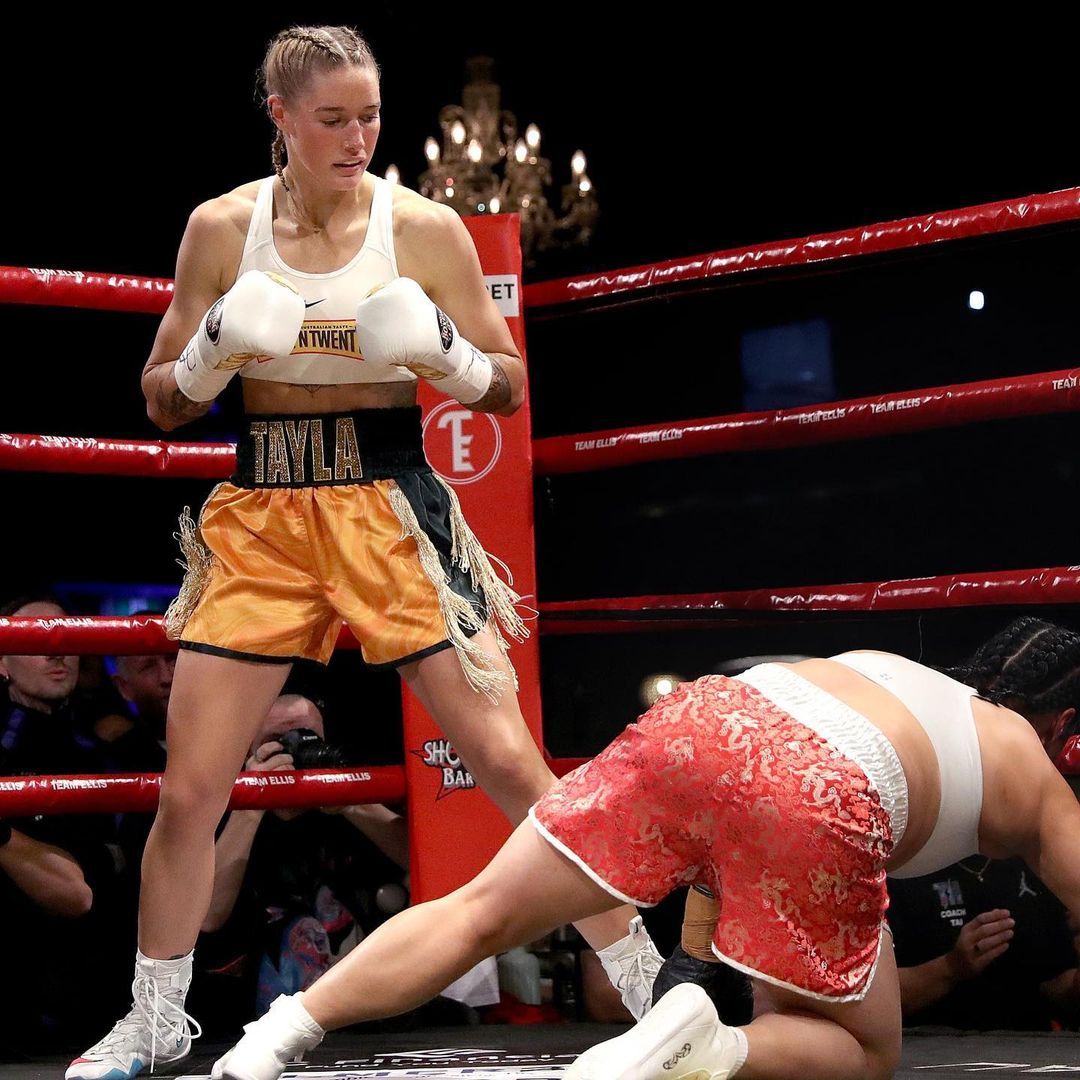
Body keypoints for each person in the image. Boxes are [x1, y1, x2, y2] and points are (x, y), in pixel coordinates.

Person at [67, 24, 658, 1080]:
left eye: (370, 117)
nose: (356, 138)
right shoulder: (222, 227)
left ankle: (652, 982)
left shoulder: (423, 227)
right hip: (263, 510)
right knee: (191, 788)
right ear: (281, 117)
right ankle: (153, 1021)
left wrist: (443, 353)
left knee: (509, 760)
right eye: (332, 118)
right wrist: (212, 352)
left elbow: (510, 382)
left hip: (389, 504)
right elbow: (159, 399)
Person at [211, 616, 1080, 1080]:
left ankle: (272, 1039)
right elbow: (797, 798)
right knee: (863, 1053)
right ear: (1067, 724)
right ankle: (711, 1050)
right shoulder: (1032, 772)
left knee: (478, 911)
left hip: (712, 713)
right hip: (827, 785)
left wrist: (696, 966)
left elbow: (742, 814)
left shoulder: (901, 674)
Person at [0, 596, 129, 1053]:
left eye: (66, 638)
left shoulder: (106, 744)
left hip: (95, 994)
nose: (58, 652)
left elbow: (88, 891)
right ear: (2, 663)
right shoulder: (8, 746)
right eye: (37, 639)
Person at [888, 855, 1080, 1029]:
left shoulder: (1030, 862)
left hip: (1031, 1043)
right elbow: (880, 995)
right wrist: (950, 966)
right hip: (934, 1043)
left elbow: (1053, 983)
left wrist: (1074, 986)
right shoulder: (902, 870)